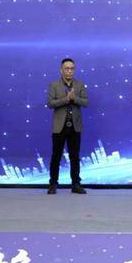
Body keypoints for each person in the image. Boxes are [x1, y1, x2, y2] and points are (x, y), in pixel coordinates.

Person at [47, 58, 89, 195]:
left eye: (72, 68)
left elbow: (85, 102)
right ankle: (53, 184)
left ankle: (76, 184)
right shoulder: (54, 85)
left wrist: (74, 98)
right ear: (61, 70)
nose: (69, 71)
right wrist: (66, 99)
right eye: (67, 68)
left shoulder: (80, 84)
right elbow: (50, 103)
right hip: (59, 127)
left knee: (75, 157)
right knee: (56, 157)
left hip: (75, 126)